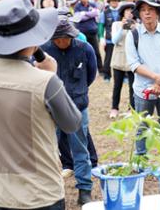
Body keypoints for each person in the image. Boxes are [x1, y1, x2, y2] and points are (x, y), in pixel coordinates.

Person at [0, 0, 82, 210]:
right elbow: (72, 123)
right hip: (40, 194)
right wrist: (53, 75)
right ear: (32, 41)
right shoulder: (44, 82)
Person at [42, 15, 97, 205]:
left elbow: (91, 75)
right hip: (49, 108)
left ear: (72, 36)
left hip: (77, 106)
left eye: (65, 38)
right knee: (48, 149)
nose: (61, 42)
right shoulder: (44, 51)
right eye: (57, 39)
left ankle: (84, 188)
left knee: (81, 148)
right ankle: (51, 190)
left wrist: (78, 92)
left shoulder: (85, 49)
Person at [125, 0, 160, 160]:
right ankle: (141, 161)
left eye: (151, 10)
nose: (147, 14)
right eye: (143, 11)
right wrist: (156, 77)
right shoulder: (133, 35)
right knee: (142, 127)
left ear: (158, 13)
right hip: (143, 90)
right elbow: (134, 64)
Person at [109, 2, 136, 118]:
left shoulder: (138, 25)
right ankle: (114, 108)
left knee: (133, 86)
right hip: (119, 58)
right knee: (117, 85)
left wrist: (134, 29)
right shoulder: (116, 24)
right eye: (127, 11)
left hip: (132, 59)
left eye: (132, 11)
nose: (129, 13)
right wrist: (122, 28)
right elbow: (114, 40)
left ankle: (132, 109)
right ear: (123, 13)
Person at [74, 0, 102, 72]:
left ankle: (100, 69)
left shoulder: (92, 4)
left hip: (93, 32)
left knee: (96, 51)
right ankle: (84, 69)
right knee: (82, 52)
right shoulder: (77, 6)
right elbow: (79, 18)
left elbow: (96, 13)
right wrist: (90, 14)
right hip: (82, 33)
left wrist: (84, 14)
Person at [98, 0, 122, 82]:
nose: (114, 3)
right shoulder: (104, 13)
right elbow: (101, 25)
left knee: (121, 57)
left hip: (120, 39)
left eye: (116, 1)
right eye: (113, 1)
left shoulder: (121, 11)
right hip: (109, 39)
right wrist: (101, 37)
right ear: (109, 2)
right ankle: (107, 75)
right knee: (108, 58)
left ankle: (124, 76)